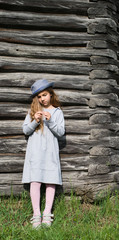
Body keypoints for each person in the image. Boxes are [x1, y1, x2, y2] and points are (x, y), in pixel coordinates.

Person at [22, 79, 65, 228]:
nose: (42, 99)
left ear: (51, 94)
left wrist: (51, 120)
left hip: (50, 153)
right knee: (35, 181)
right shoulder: (32, 112)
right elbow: (25, 130)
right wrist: (35, 121)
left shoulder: (57, 112)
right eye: (39, 97)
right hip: (35, 153)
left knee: (50, 181)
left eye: (45, 95)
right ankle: (36, 214)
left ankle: (47, 213)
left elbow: (61, 132)